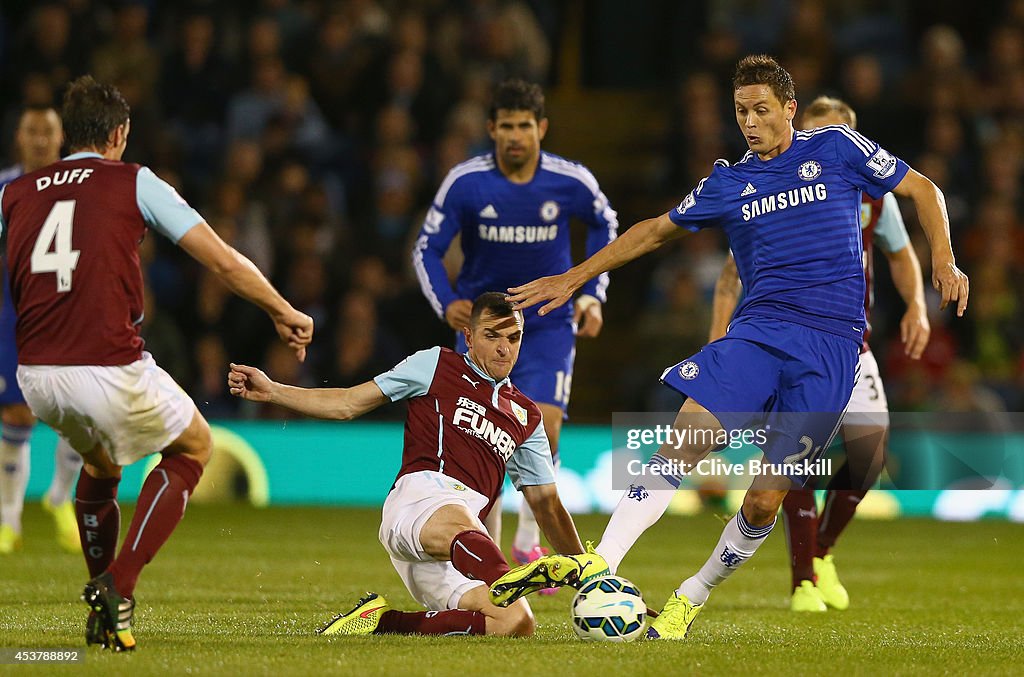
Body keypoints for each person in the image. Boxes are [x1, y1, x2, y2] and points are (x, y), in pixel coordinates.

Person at [488, 55, 969, 639]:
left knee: (766, 500)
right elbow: (653, 230)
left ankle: (693, 593)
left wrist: (942, 259)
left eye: (761, 109)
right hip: (759, 334)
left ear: (791, 109)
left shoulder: (838, 149)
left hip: (831, 350)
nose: (750, 121)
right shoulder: (729, 182)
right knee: (684, 440)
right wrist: (575, 276)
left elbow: (924, 190)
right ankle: (602, 565)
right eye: (741, 111)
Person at [0, 76, 313, 652]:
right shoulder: (134, 180)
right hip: (107, 365)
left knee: (100, 465)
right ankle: (119, 587)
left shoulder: (14, 193)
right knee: (195, 446)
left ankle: (100, 605)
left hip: (35, 374)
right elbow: (219, 259)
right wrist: (280, 307)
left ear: (67, 136)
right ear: (120, 133)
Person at [227, 292, 590, 637]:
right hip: (419, 502)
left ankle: (381, 621)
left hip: (459, 553)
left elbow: (547, 504)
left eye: (513, 337)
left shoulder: (527, 415)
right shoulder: (436, 364)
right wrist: (273, 390)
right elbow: (348, 403)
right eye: (491, 335)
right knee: (460, 515)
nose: (503, 347)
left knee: (516, 622)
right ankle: (504, 576)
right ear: (468, 336)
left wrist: (590, 579)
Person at [710, 96, 931, 613]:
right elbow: (730, 274)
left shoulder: (875, 196)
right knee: (795, 456)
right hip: (783, 342)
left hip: (851, 343)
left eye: (834, 137)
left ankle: (824, 552)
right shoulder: (769, 190)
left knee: (870, 453)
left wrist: (917, 304)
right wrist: (720, 339)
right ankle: (803, 579)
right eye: (811, 134)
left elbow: (900, 256)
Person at [413, 79, 618, 566]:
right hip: (482, 327)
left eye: (525, 125)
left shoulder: (570, 181)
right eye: (506, 126)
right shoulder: (466, 182)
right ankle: (487, 555)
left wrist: (591, 294)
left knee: (544, 426)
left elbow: (605, 225)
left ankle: (530, 546)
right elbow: (427, 248)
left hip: (547, 322)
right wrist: (446, 303)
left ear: (541, 128)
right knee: (480, 440)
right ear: (491, 129)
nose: (515, 136)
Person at [0, 105, 83, 556]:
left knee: (81, 408)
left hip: (71, 311)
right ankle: (9, 520)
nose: (38, 139)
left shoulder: (78, 188)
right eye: (31, 130)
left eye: (46, 130)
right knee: (16, 414)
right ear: (19, 136)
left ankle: (59, 497)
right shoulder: (4, 187)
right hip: (16, 314)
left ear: (61, 137)